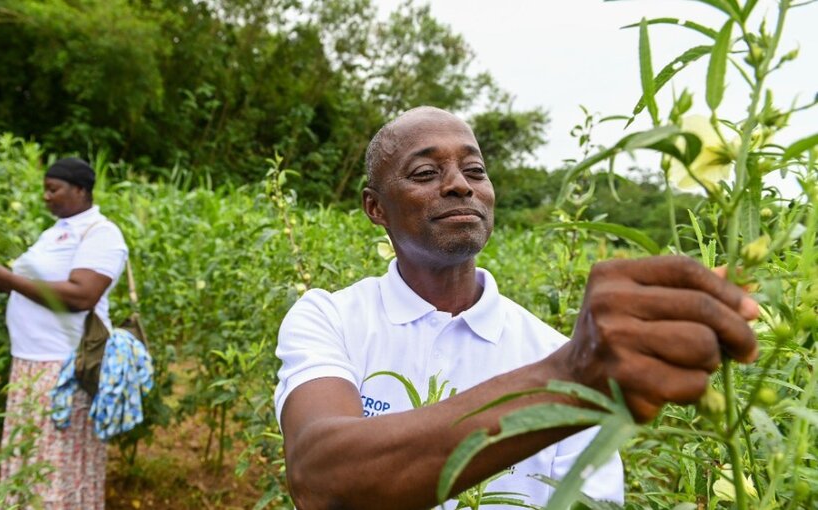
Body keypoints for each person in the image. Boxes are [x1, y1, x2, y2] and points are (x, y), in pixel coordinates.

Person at [273, 106, 759, 510]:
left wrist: (573, 373)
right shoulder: (329, 317)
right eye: (426, 173)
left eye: (475, 170)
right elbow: (319, 476)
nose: (460, 185)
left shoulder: (548, 347)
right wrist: (565, 380)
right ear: (374, 207)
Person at [0, 157, 128, 509]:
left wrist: (7, 279)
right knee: (30, 461)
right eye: (44, 189)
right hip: (31, 365)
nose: (46, 197)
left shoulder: (101, 233)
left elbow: (81, 295)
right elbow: (38, 285)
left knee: (56, 465)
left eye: (53, 189)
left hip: (63, 369)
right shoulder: (55, 232)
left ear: (80, 190)